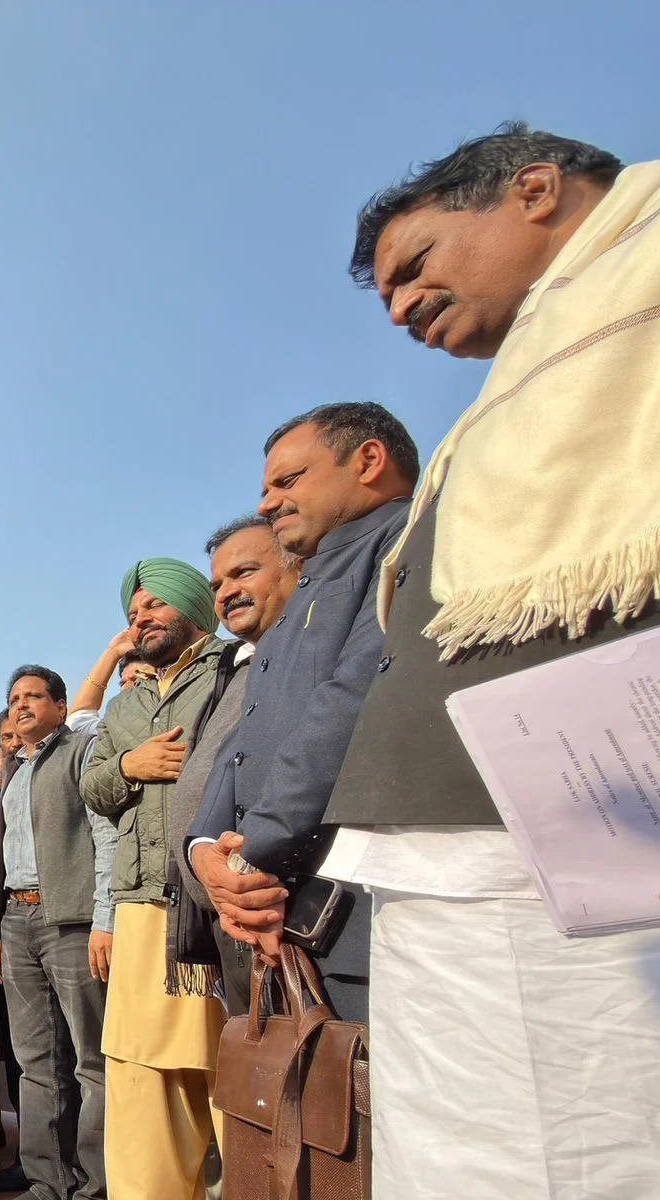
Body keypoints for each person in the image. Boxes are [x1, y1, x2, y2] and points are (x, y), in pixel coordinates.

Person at [328, 124, 660, 1198]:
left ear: (532, 190)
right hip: (446, 862)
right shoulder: (503, 398)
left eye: (413, 267)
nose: (397, 309)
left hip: (580, 860)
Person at [186, 403, 417, 1024]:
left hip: (345, 908)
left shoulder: (408, 538)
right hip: (269, 903)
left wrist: (248, 862)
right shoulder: (312, 589)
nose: (266, 505)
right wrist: (204, 849)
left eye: (286, 482)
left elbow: (351, 700)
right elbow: (247, 737)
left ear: (368, 461)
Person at [79, 560, 229, 1200]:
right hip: (139, 906)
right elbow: (91, 786)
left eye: (153, 605)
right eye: (132, 612)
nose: (140, 618)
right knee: (140, 1076)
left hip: (214, 903)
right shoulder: (125, 705)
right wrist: (132, 766)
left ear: (193, 604)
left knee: (226, 1071)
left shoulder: (235, 673)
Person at [0, 667, 115, 1200]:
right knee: (35, 1060)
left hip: (73, 921)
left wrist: (105, 920)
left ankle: (96, 1183)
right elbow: (2, 861)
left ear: (61, 706)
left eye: (34, 696)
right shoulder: (14, 772)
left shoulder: (83, 751)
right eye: (14, 698)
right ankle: (46, 1179)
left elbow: (106, 837)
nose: (21, 705)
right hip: (18, 922)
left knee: (91, 1058)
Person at [174, 517, 299, 1012]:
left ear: (299, 566)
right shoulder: (237, 668)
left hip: (288, 908)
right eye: (217, 585)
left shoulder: (321, 655)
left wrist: (249, 871)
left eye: (243, 573)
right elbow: (224, 769)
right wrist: (204, 854)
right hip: (227, 907)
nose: (227, 593)